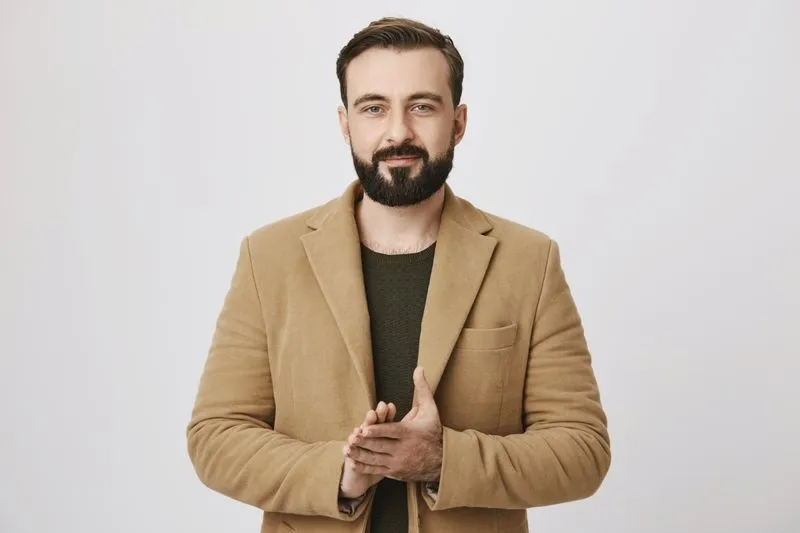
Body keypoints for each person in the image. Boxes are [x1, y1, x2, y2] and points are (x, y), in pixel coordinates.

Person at [186, 16, 611, 533]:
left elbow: (583, 450)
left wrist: (443, 459)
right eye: (374, 108)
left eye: (422, 106)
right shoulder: (269, 258)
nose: (398, 132)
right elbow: (215, 435)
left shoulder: (529, 260)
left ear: (458, 122)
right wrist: (339, 473)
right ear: (346, 124)